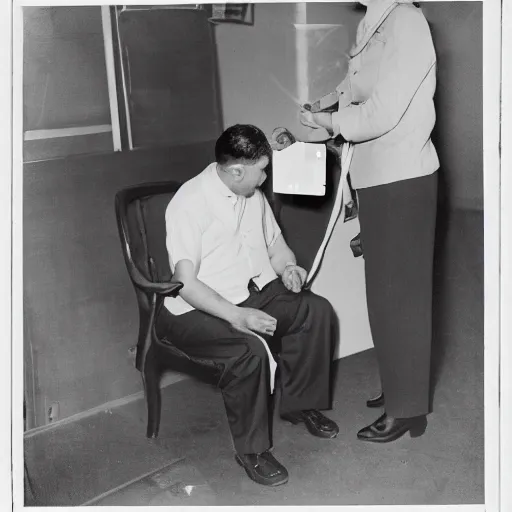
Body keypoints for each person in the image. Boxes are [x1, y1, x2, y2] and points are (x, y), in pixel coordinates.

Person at [156, 124, 339, 486]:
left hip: (249, 293)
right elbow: (186, 284)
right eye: (262, 169)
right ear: (237, 170)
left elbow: (276, 247)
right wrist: (238, 316)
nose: (266, 176)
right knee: (248, 350)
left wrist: (288, 267)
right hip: (195, 309)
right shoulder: (190, 202)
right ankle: (251, 450)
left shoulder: (253, 196)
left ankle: (300, 405)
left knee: (314, 310)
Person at [300, 0, 439, 443]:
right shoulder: (374, 21)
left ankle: (408, 409)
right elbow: (355, 84)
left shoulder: (408, 22)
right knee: (383, 294)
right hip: (376, 177)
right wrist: (323, 103)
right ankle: (402, 384)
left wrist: (330, 121)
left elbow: (382, 112)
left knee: (403, 297)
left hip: (404, 177)